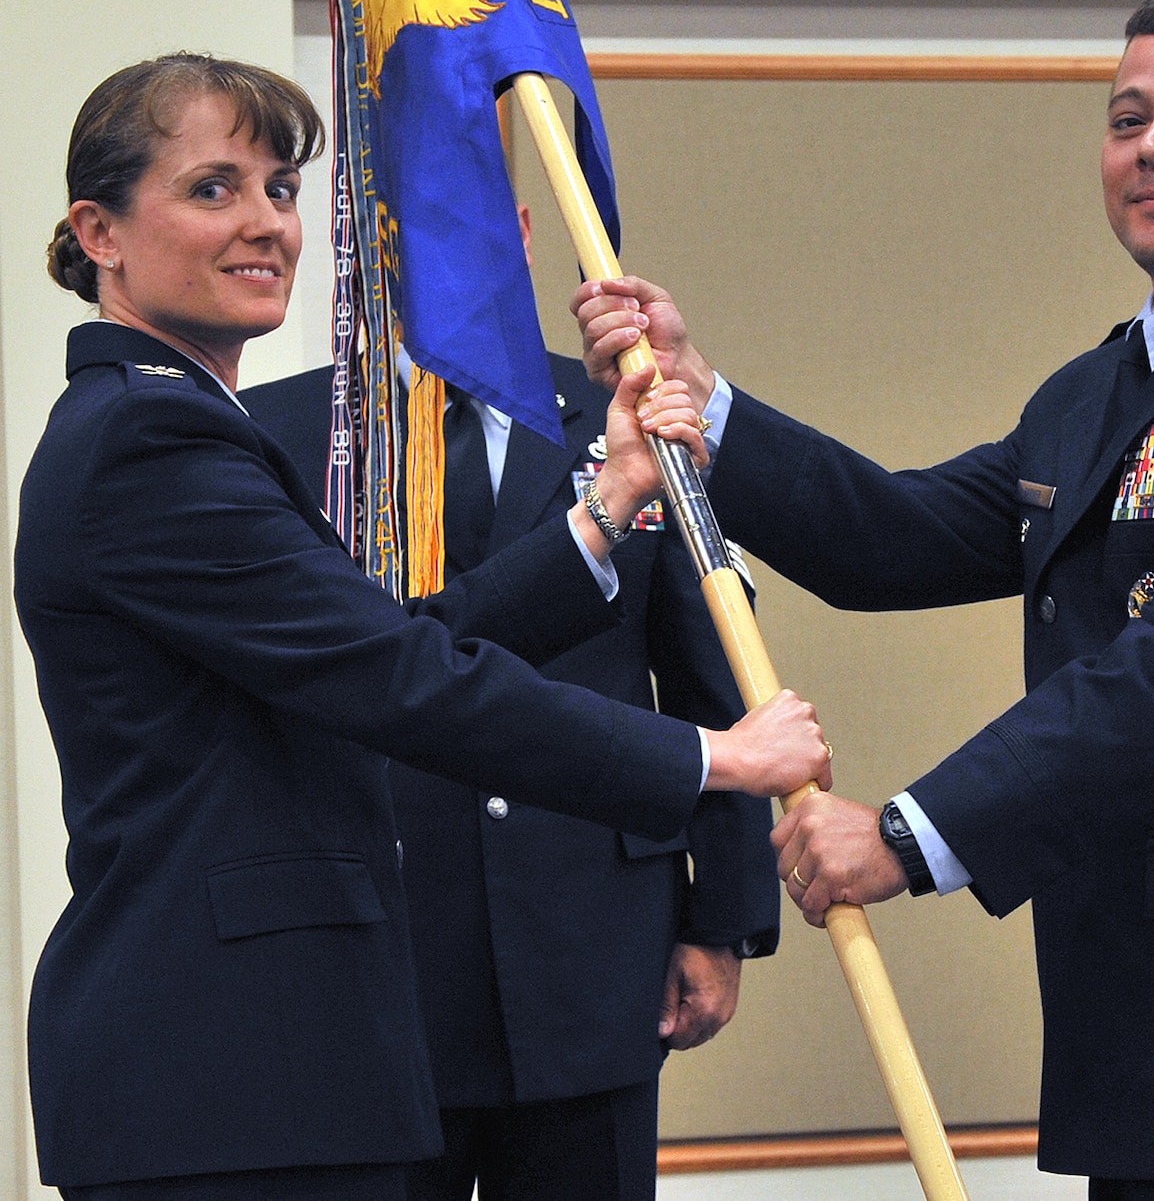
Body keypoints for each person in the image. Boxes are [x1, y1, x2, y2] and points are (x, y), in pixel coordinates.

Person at [576, 0, 1154, 1199]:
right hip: (1152, 1061)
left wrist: (907, 837)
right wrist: (701, 401)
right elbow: (895, 537)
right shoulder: (1102, 388)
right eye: (1127, 120)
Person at [15, 52, 829, 1201]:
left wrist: (601, 512)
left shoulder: (165, 421)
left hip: (338, 1047)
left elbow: (398, 642)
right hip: (235, 1064)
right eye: (212, 189)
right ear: (99, 232)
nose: (263, 225)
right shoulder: (160, 440)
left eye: (281, 191)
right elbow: (400, 676)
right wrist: (711, 756)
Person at [245, 244, 778, 1196]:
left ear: (520, 225)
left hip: (595, 951)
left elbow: (708, 673)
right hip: (380, 955)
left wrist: (723, 921)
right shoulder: (281, 430)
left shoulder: (628, 408)